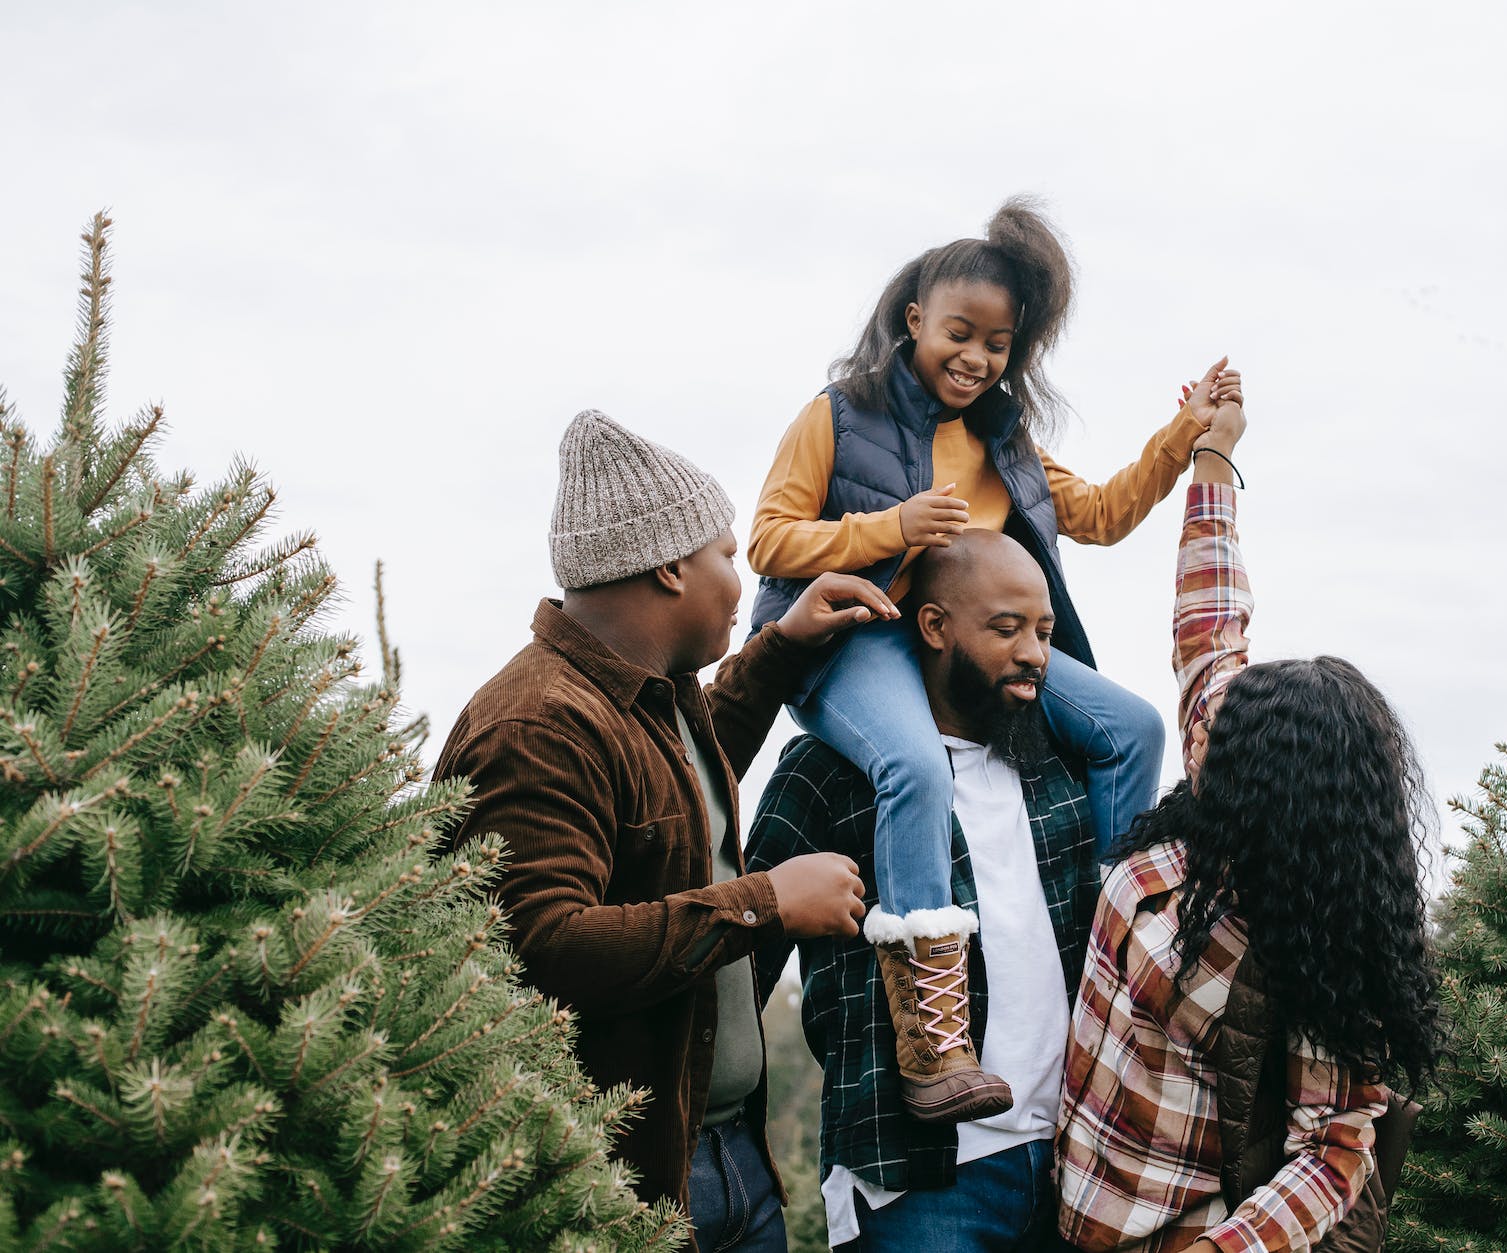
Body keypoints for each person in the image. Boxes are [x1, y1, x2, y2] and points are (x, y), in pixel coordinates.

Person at [746, 194, 1238, 1122]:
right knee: (912, 766)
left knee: (1130, 727)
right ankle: (934, 1040)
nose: (975, 359)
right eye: (959, 334)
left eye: (998, 344)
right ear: (914, 322)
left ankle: (1109, 956)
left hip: (980, 642)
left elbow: (1097, 514)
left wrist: (1188, 435)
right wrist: (888, 528)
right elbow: (769, 540)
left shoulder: (1004, 441)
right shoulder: (839, 416)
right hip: (863, 633)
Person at [434, 411, 894, 1253]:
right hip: (623, 1191)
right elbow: (542, 946)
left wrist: (783, 646)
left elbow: (678, 781)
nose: (741, 575)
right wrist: (768, 904)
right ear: (671, 568)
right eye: (727, 554)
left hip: (729, 1162)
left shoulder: (655, 696)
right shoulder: (533, 724)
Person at [1056, 400, 1446, 1252]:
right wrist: (1212, 460)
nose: (1200, 743)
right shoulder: (1224, 756)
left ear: (1278, 798)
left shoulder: (1319, 939)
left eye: (1224, 753)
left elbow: (1334, 1151)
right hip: (1066, 1214)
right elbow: (1208, 619)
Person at [744, 530, 1097, 1252]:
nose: (1033, 652)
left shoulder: (1057, 769)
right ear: (934, 626)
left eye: (1044, 631)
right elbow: (742, 962)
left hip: (1070, 1165)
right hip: (916, 1182)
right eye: (1006, 628)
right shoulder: (829, 771)